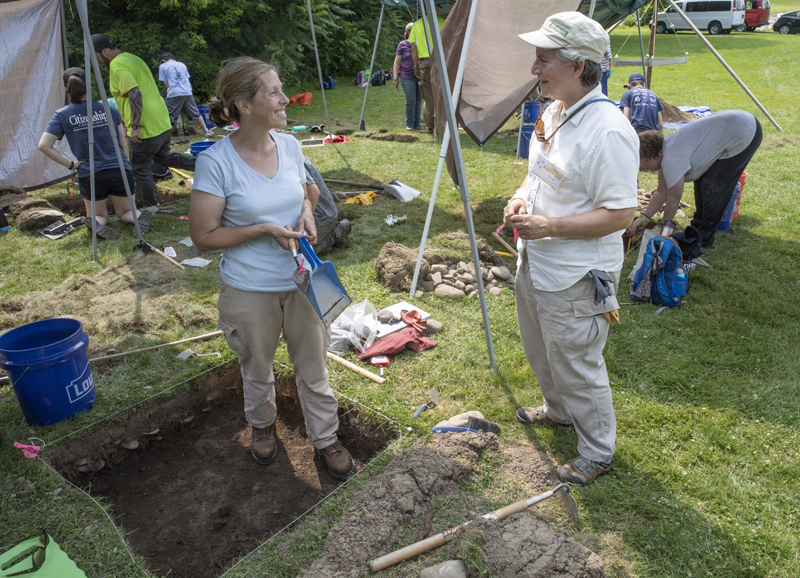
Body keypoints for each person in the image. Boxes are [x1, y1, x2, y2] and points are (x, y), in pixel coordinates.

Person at [189, 57, 355, 479]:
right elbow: (203, 236)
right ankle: (262, 426)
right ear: (243, 104)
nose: (286, 99)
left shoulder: (290, 145)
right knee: (257, 368)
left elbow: (308, 190)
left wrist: (306, 212)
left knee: (314, 368)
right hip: (249, 289)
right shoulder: (216, 162)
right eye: (274, 92)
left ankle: (326, 437)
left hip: (302, 283)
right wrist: (260, 229)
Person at [503, 12, 639, 486]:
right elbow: (538, 171)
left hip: (577, 276)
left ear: (579, 66)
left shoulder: (608, 131)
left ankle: (598, 451)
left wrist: (550, 226)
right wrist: (521, 196)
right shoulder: (554, 110)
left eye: (544, 60)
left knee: (578, 364)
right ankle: (558, 411)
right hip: (536, 262)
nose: (534, 69)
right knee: (541, 348)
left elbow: (621, 216)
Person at [92, 33, 196, 212]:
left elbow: (135, 93)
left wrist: (134, 126)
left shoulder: (117, 65)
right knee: (163, 158)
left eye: (96, 57)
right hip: (161, 121)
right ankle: (204, 164)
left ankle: (151, 207)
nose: (98, 62)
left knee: (139, 167)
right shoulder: (132, 58)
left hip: (146, 126)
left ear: (105, 51)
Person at [37, 67, 144, 238]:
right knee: (125, 212)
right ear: (88, 85)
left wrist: (71, 164)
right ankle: (139, 218)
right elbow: (123, 143)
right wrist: (125, 163)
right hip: (118, 168)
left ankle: (95, 223)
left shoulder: (62, 115)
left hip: (90, 173)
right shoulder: (109, 109)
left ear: (67, 87)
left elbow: (44, 145)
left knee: (98, 215)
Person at [629, 110, 762, 245]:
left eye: (643, 162)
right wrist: (644, 219)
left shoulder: (671, 158)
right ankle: (697, 227)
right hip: (731, 125)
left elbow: (674, 199)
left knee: (713, 187)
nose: (643, 168)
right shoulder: (665, 152)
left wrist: (663, 227)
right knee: (702, 183)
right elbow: (661, 192)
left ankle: (705, 239)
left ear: (653, 155)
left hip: (744, 131)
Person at [303, 157, 351, 255]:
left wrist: (307, 224)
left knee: (302, 252)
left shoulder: (291, 158)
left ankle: (338, 232)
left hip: (322, 216)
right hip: (318, 211)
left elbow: (313, 193)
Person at [408, 10, 446, 134]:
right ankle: (443, 127)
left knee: (429, 98)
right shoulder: (443, 21)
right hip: (441, 62)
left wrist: (416, 66)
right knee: (442, 96)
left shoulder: (417, 25)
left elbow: (413, 48)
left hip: (425, 63)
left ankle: (430, 128)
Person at [158, 52, 212, 137]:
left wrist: (169, 91)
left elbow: (165, 82)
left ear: (163, 60)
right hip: (187, 91)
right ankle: (206, 131)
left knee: (167, 114)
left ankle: (162, 134)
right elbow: (186, 79)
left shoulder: (162, 66)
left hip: (174, 92)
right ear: (173, 59)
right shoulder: (182, 64)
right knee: (195, 113)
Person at [393, 23, 422, 131]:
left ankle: (417, 123)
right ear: (409, 32)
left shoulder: (421, 43)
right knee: (411, 99)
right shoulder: (402, 45)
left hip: (420, 75)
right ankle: (410, 123)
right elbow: (397, 62)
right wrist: (395, 78)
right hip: (407, 76)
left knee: (419, 100)